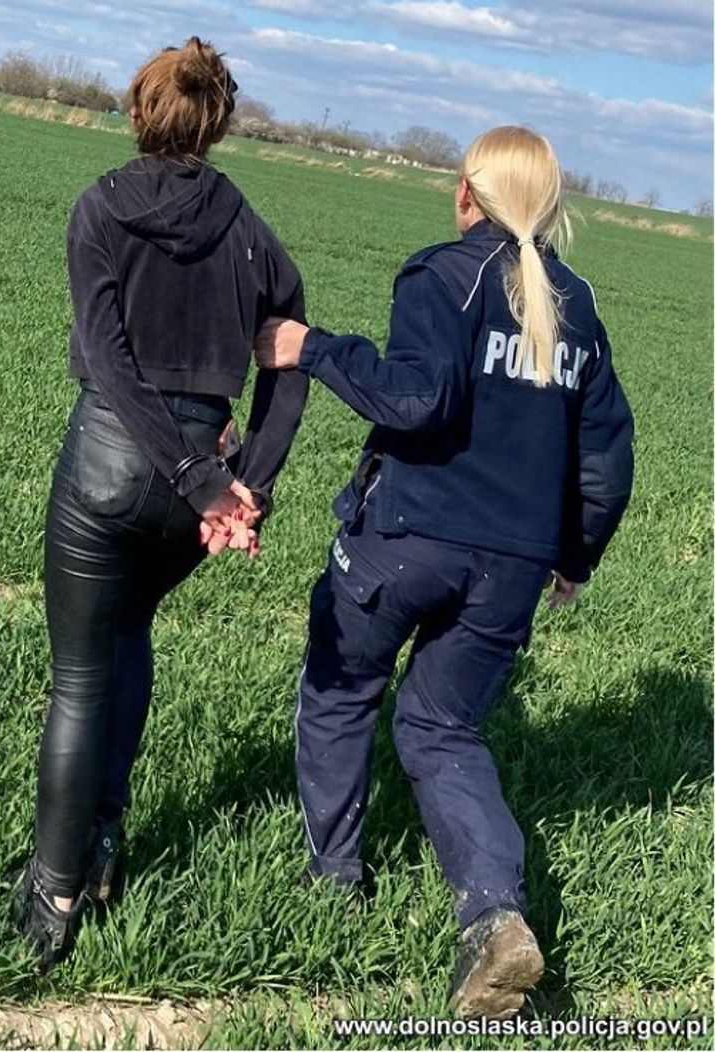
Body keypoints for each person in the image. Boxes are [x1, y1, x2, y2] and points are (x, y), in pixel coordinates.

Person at [254, 126, 634, 1018]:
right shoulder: (577, 304)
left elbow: (415, 399)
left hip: (408, 538)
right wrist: (573, 554)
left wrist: (308, 346)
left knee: (342, 688)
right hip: (514, 567)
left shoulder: (441, 276)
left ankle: (333, 883)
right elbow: (607, 458)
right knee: (442, 729)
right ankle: (495, 917)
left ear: (469, 194)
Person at [16, 36, 309, 968]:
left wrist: (206, 480)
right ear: (216, 124)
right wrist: (242, 483)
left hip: (110, 464)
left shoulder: (98, 208)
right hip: (192, 496)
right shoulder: (252, 232)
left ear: (140, 113)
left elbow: (107, 357)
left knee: (78, 678)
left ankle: (53, 896)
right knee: (131, 637)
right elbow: (295, 365)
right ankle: (101, 842)